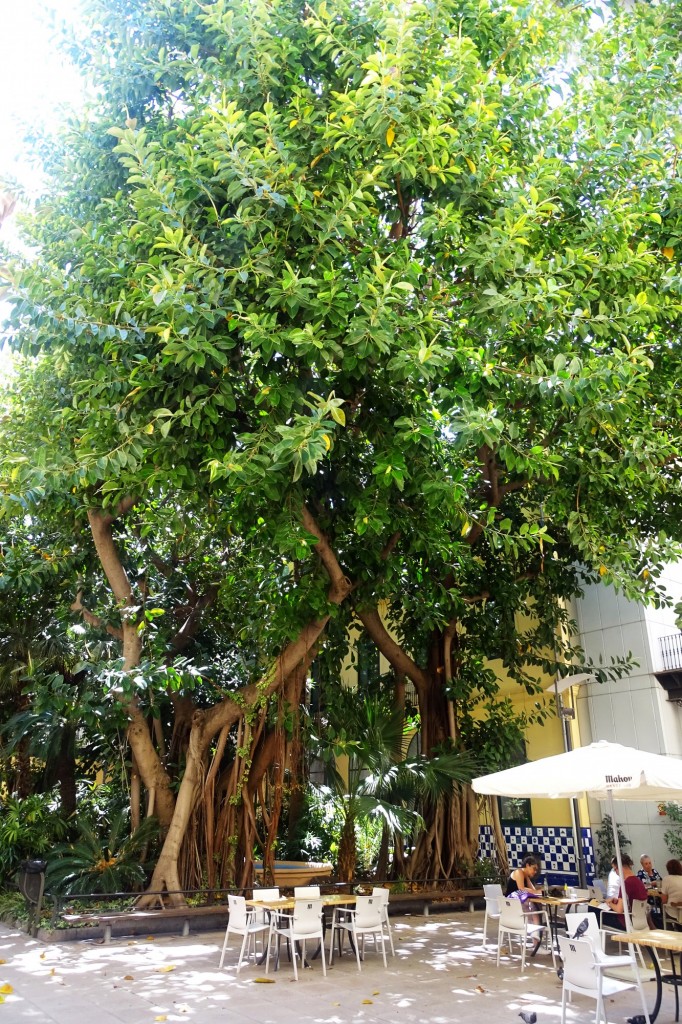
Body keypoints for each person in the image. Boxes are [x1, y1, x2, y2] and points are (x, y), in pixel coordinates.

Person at [505, 855, 544, 954]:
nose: (535, 872)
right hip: (511, 906)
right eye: (533, 868)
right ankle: (536, 943)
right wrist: (537, 892)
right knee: (536, 911)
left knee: (535, 910)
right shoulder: (518, 872)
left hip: (518, 904)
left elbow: (533, 890)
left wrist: (536, 890)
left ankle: (536, 941)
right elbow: (521, 889)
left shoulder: (524, 875)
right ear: (527, 865)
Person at [601, 854, 649, 930]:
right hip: (640, 921)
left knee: (595, 912)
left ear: (619, 867)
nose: (616, 873)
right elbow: (632, 902)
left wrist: (609, 903)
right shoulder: (639, 881)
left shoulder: (625, 884)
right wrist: (616, 901)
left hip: (627, 922)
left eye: (615, 869)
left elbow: (619, 910)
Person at [660, 859, 682, 927]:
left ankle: (669, 930)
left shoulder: (666, 879)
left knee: (662, 906)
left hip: (674, 912)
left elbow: (664, 900)